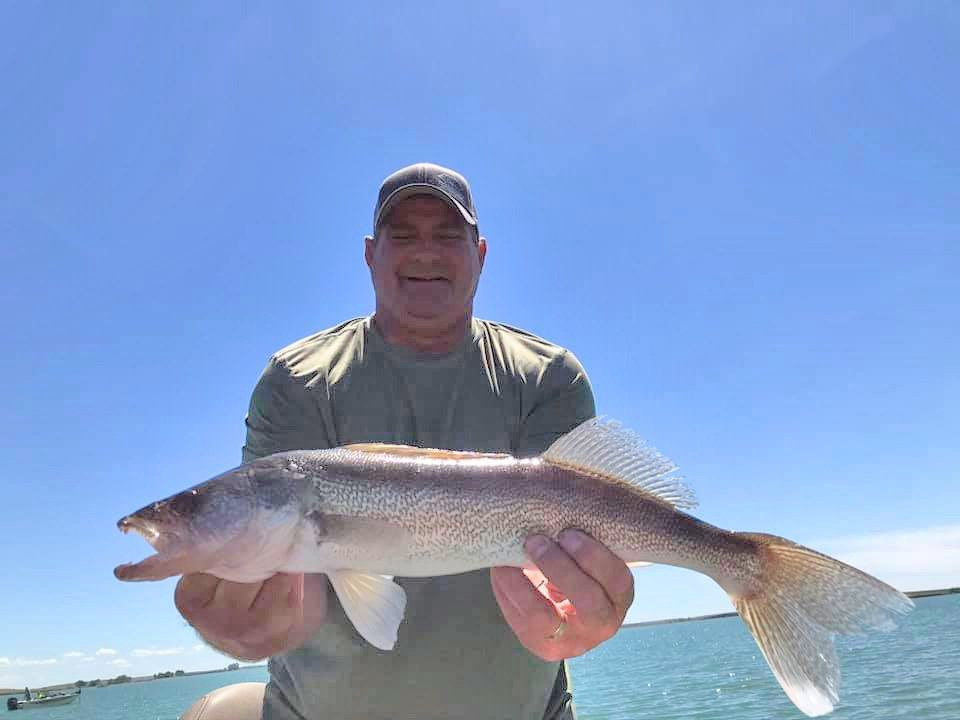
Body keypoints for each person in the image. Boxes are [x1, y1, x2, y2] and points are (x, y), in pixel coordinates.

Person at [175, 162, 635, 720]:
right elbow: (296, 588)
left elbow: (569, 544)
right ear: (370, 253)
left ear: (481, 255)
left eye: (447, 235)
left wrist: (577, 616)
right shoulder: (297, 380)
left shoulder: (547, 377)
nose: (425, 253)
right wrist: (251, 626)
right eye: (403, 235)